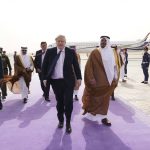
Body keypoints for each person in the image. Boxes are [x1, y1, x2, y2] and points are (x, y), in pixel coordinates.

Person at [42, 35, 82, 134]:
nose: (60, 43)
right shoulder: (50, 52)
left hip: (68, 82)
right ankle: (61, 120)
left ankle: (68, 122)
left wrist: (79, 78)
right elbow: (45, 66)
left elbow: (76, 66)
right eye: (59, 41)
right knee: (60, 102)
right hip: (56, 82)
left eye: (62, 41)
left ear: (65, 42)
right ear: (56, 42)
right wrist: (44, 78)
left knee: (68, 102)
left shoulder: (71, 52)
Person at [82, 36, 120, 126]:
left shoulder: (112, 52)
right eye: (102, 41)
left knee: (105, 100)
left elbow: (115, 66)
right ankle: (92, 114)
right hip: (97, 81)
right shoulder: (95, 52)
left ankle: (103, 117)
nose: (103, 42)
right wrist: (91, 79)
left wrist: (115, 77)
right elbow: (89, 67)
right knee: (95, 99)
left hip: (109, 82)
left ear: (108, 42)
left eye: (105, 41)